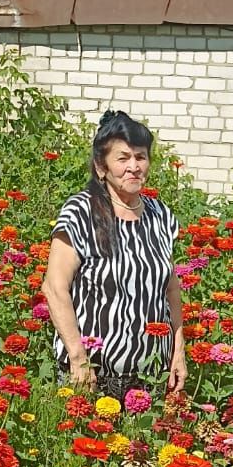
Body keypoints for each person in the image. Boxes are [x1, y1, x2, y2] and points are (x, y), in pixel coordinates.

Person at [42, 110, 186, 400]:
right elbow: (55, 288)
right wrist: (78, 358)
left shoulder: (160, 216)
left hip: (149, 374)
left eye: (141, 157)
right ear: (101, 166)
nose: (133, 167)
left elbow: (170, 288)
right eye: (123, 158)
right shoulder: (81, 213)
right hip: (92, 374)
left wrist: (177, 351)